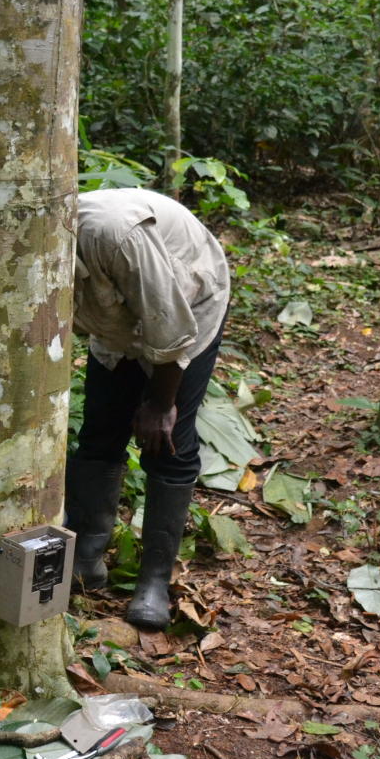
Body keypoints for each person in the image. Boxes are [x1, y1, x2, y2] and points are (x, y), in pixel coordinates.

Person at [67, 187, 230, 629]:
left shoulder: (115, 236)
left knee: (168, 441)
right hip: (117, 322)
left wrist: (160, 403)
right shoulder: (30, 246)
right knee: (101, 431)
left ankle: (154, 580)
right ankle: (86, 559)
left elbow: (170, 326)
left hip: (188, 302)